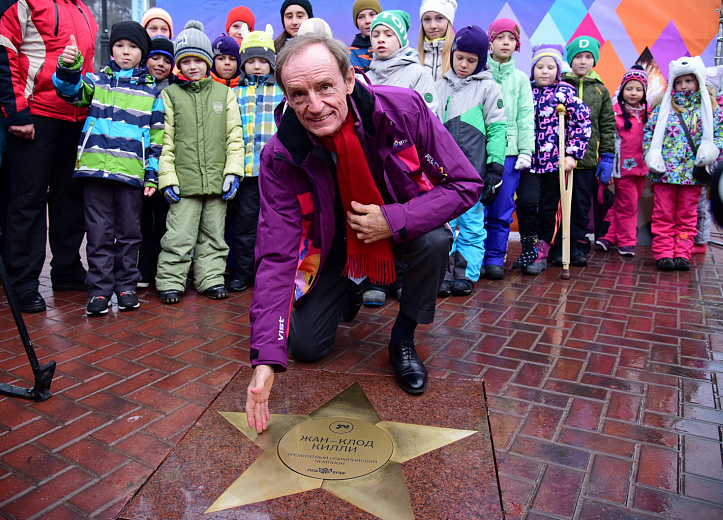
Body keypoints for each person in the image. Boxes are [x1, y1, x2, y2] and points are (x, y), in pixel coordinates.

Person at [244, 33, 482, 433]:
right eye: (298, 94)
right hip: (331, 248)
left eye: (325, 87)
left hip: (400, 229)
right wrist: (265, 360)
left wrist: (393, 219)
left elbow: (463, 184)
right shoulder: (281, 155)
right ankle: (352, 284)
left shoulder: (404, 110)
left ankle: (402, 338)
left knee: (436, 241)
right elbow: (277, 255)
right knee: (303, 348)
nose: (314, 106)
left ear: (350, 80)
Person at [52, 22, 164, 316]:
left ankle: (127, 286)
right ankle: (100, 290)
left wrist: (151, 173)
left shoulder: (152, 91)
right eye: (119, 46)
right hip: (95, 171)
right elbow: (70, 91)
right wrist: (68, 67)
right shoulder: (96, 81)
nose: (125, 52)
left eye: (133, 47)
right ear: (111, 49)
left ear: (143, 53)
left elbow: (157, 138)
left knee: (129, 232)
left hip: (131, 174)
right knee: (98, 232)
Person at [0, 0, 98, 313]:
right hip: (35, 116)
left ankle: (67, 269)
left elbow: (89, 69)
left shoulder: (84, 9)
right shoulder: (23, 2)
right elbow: (5, 52)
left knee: (69, 198)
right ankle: (23, 282)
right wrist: (16, 112)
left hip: (75, 119)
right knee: (27, 200)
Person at [156, 21, 243, 303]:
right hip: (184, 183)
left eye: (198, 60)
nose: (193, 66)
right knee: (178, 236)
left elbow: (234, 137)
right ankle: (171, 281)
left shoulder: (224, 94)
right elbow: (164, 141)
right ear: (179, 65)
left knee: (214, 236)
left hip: (217, 181)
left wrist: (233, 172)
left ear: (208, 62)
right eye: (186, 61)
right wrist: (167, 178)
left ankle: (211, 278)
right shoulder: (170, 95)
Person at [363, 9, 439, 306]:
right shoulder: (365, 76)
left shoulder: (418, 73)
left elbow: (429, 119)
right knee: (377, 214)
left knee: (408, 217)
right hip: (375, 163)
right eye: (376, 34)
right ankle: (381, 277)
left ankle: (406, 277)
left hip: (409, 163)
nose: (381, 39)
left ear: (402, 38)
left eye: (388, 34)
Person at [435, 25, 505, 296]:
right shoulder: (439, 86)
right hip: (442, 175)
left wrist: (495, 169)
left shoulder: (489, 89)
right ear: (452, 54)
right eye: (460, 57)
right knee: (444, 225)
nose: (464, 64)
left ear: (481, 61)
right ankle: (443, 272)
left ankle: (465, 273)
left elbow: (498, 130)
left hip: (473, 175)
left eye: (472, 60)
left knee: (472, 226)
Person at [513, 44, 591, 275]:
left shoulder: (565, 93)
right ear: (533, 69)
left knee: (549, 208)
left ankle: (542, 248)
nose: (544, 71)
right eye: (539, 66)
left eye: (550, 67)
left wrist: (572, 154)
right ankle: (529, 245)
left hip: (554, 164)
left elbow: (582, 122)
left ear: (558, 70)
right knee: (526, 202)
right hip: (528, 161)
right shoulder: (525, 90)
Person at [643, 56, 723, 271]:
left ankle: (682, 253)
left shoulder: (709, 110)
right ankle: (663, 253)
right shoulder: (664, 109)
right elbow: (649, 134)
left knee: (687, 216)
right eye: (679, 82)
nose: (683, 86)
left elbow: (720, 136)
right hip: (666, 173)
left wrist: (711, 151)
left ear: (698, 81)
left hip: (692, 174)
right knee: (663, 214)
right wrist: (650, 155)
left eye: (688, 81)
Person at [228, 27, 285, 292]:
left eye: (263, 61)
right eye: (251, 61)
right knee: (245, 225)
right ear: (243, 65)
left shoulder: (281, 93)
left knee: (275, 225)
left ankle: (270, 273)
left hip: (275, 174)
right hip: (248, 173)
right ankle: (242, 272)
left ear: (272, 64)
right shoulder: (236, 94)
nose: (257, 66)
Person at [556, 36, 616, 268]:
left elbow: (608, 126)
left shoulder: (601, 90)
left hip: (587, 159)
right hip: (559, 157)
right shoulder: (560, 85)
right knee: (559, 205)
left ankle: (579, 247)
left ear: (595, 60)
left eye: (588, 57)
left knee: (581, 205)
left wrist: (608, 156)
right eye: (578, 57)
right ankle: (558, 247)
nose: (583, 61)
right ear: (570, 60)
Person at [482, 18, 535, 280]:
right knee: (478, 208)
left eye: (511, 38)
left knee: (502, 209)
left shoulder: (521, 80)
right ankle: (473, 256)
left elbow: (526, 116)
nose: (506, 42)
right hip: (480, 153)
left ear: (517, 45)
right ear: (490, 41)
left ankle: (494, 257)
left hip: (510, 153)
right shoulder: (480, 73)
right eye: (500, 37)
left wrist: (525, 150)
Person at [595, 65, 650, 257]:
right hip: (622, 169)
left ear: (644, 91)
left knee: (623, 203)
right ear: (622, 89)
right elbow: (607, 141)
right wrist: (606, 167)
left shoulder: (648, 113)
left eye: (638, 89)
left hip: (642, 168)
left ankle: (608, 237)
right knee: (628, 205)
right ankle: (626, 242)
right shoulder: (614, 112)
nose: (633, 93)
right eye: (629, 88)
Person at [138, 36, 177, 290]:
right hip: (140, 162)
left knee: (166, 219)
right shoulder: (136, 83)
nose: (161, 64)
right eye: (155, 57)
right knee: (141, 219)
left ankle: (163, 270)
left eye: (167, 60)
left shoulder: (176, 90)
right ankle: (143, 269)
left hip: (168, 162)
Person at [693, 65, 723, 254]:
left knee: (703, 206)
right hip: (696, 164)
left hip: (712, 166)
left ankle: (701, 241)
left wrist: (719, 162)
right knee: (695, 204)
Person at [417, 0, 457, 80]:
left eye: (439, 18)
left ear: (448, 22)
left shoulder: (459, 58)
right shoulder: (414, 58)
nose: (433, 25)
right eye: (427, 19)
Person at [349, 0, 382, 72]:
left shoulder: (393, 48)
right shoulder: (349, 55)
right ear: (356, 22)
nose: (367, 21)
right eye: (361, 17)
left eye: (372, 14)